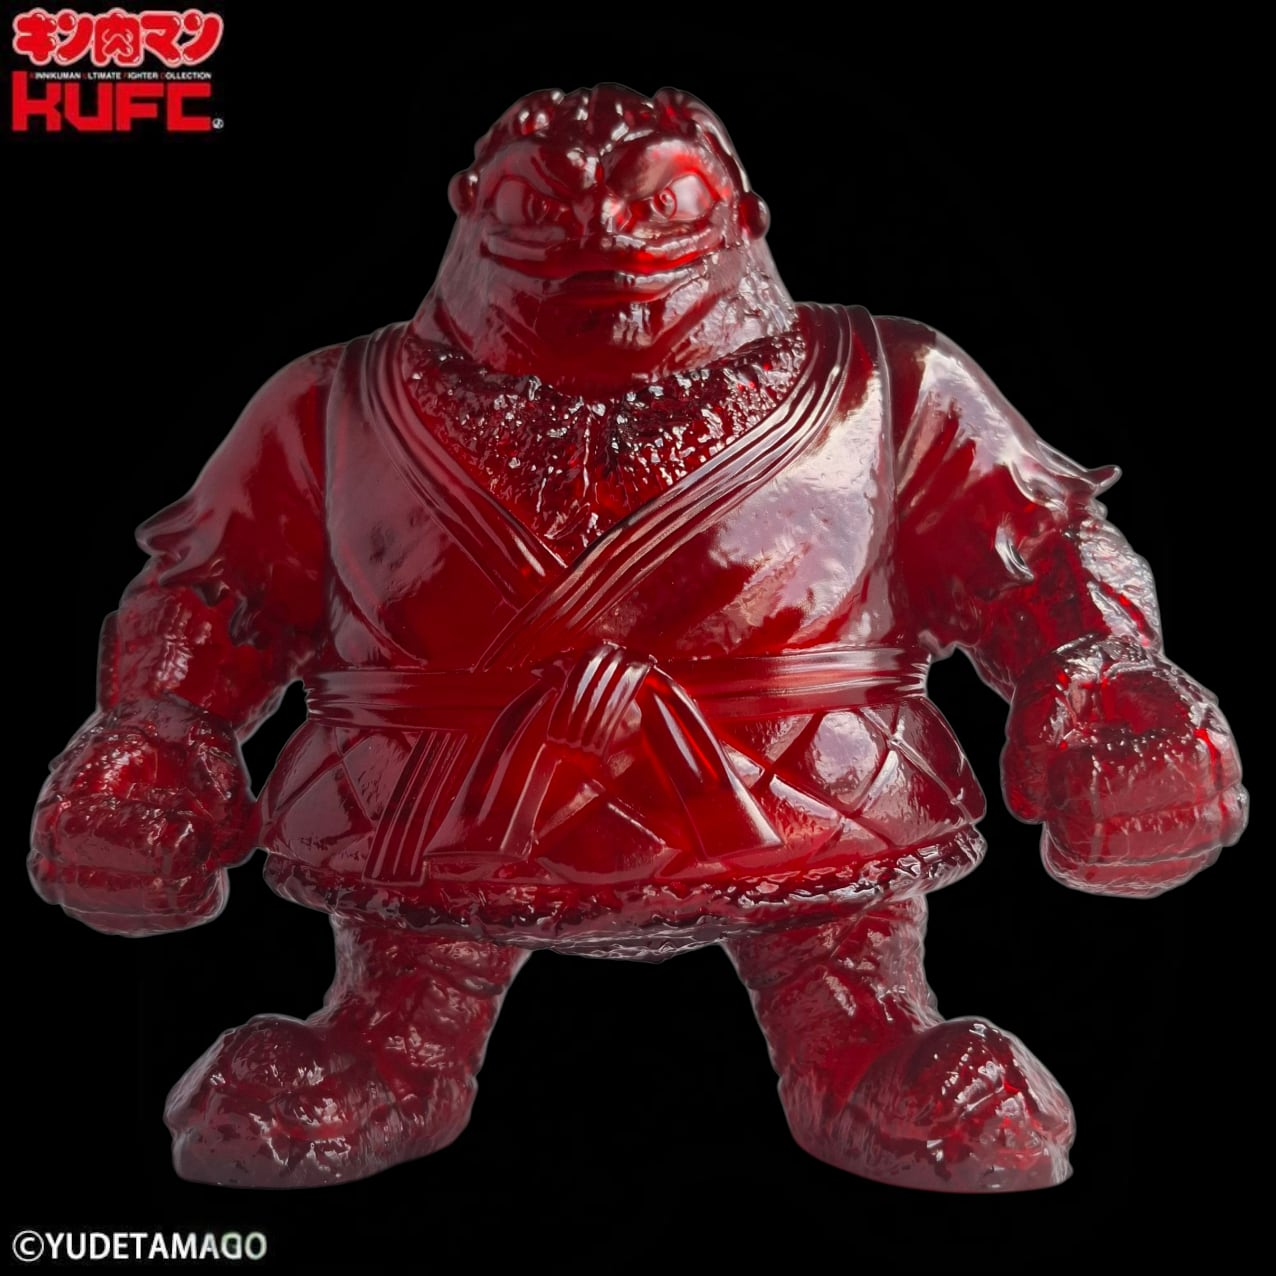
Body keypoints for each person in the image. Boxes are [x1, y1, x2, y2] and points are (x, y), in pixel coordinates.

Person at [30, 83, 1246, 1192]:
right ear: (469, 211)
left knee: (843, 980)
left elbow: (1038, 556)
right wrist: (156, 735)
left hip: (805, 812)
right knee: (405, 990)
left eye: (661, 202)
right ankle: (390, 1048)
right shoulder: (333, 404)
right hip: (436, 824)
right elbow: (216, 594)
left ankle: (865, 1046)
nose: (601, 239)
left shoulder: (886, 385)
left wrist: (1105, 682)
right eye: (534, 207)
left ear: (740, 217)